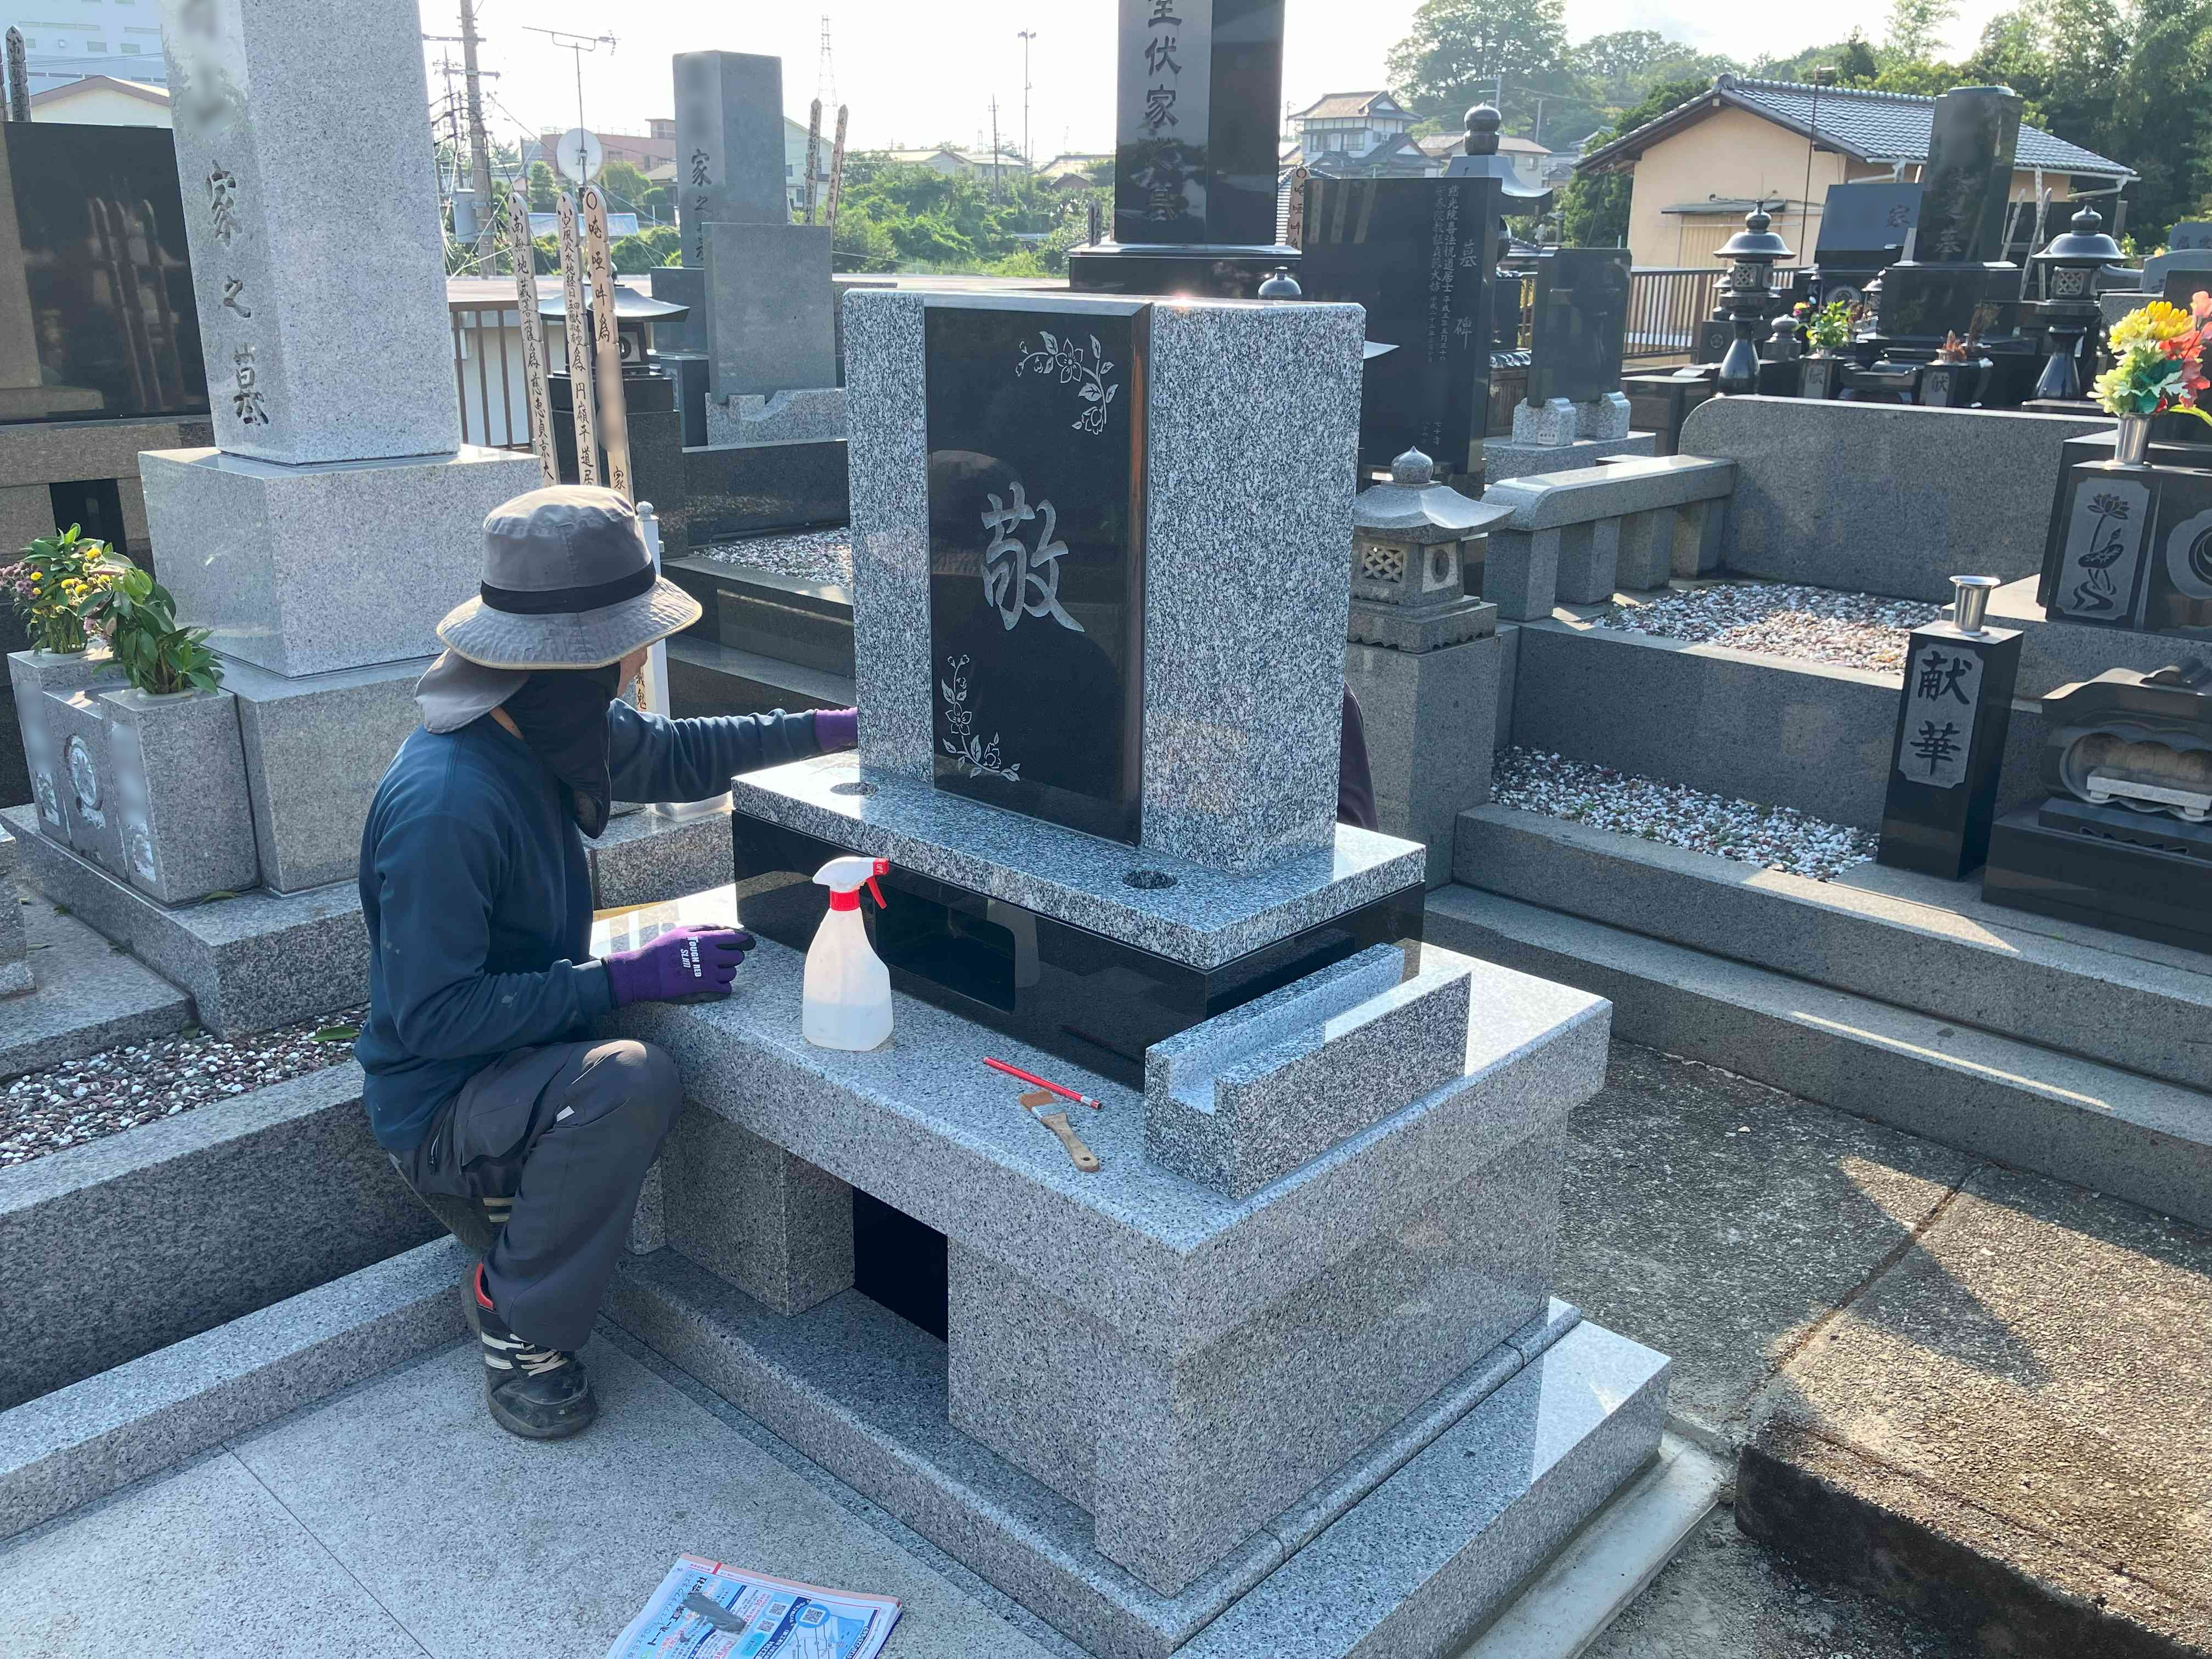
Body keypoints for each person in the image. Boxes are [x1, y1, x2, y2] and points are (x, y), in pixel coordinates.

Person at [357, 485, 857, 1441]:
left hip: (516, 1061)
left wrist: (834, 730)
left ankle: (532, 1209)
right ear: (572, 657)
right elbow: (434, 1016)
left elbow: (673, 756)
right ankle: (516, 1320)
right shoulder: (449, 802)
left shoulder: (536, 716)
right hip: (446, 1106)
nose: (636, 667)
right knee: (629, 1077)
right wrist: (624, 979)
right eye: (629, 648)